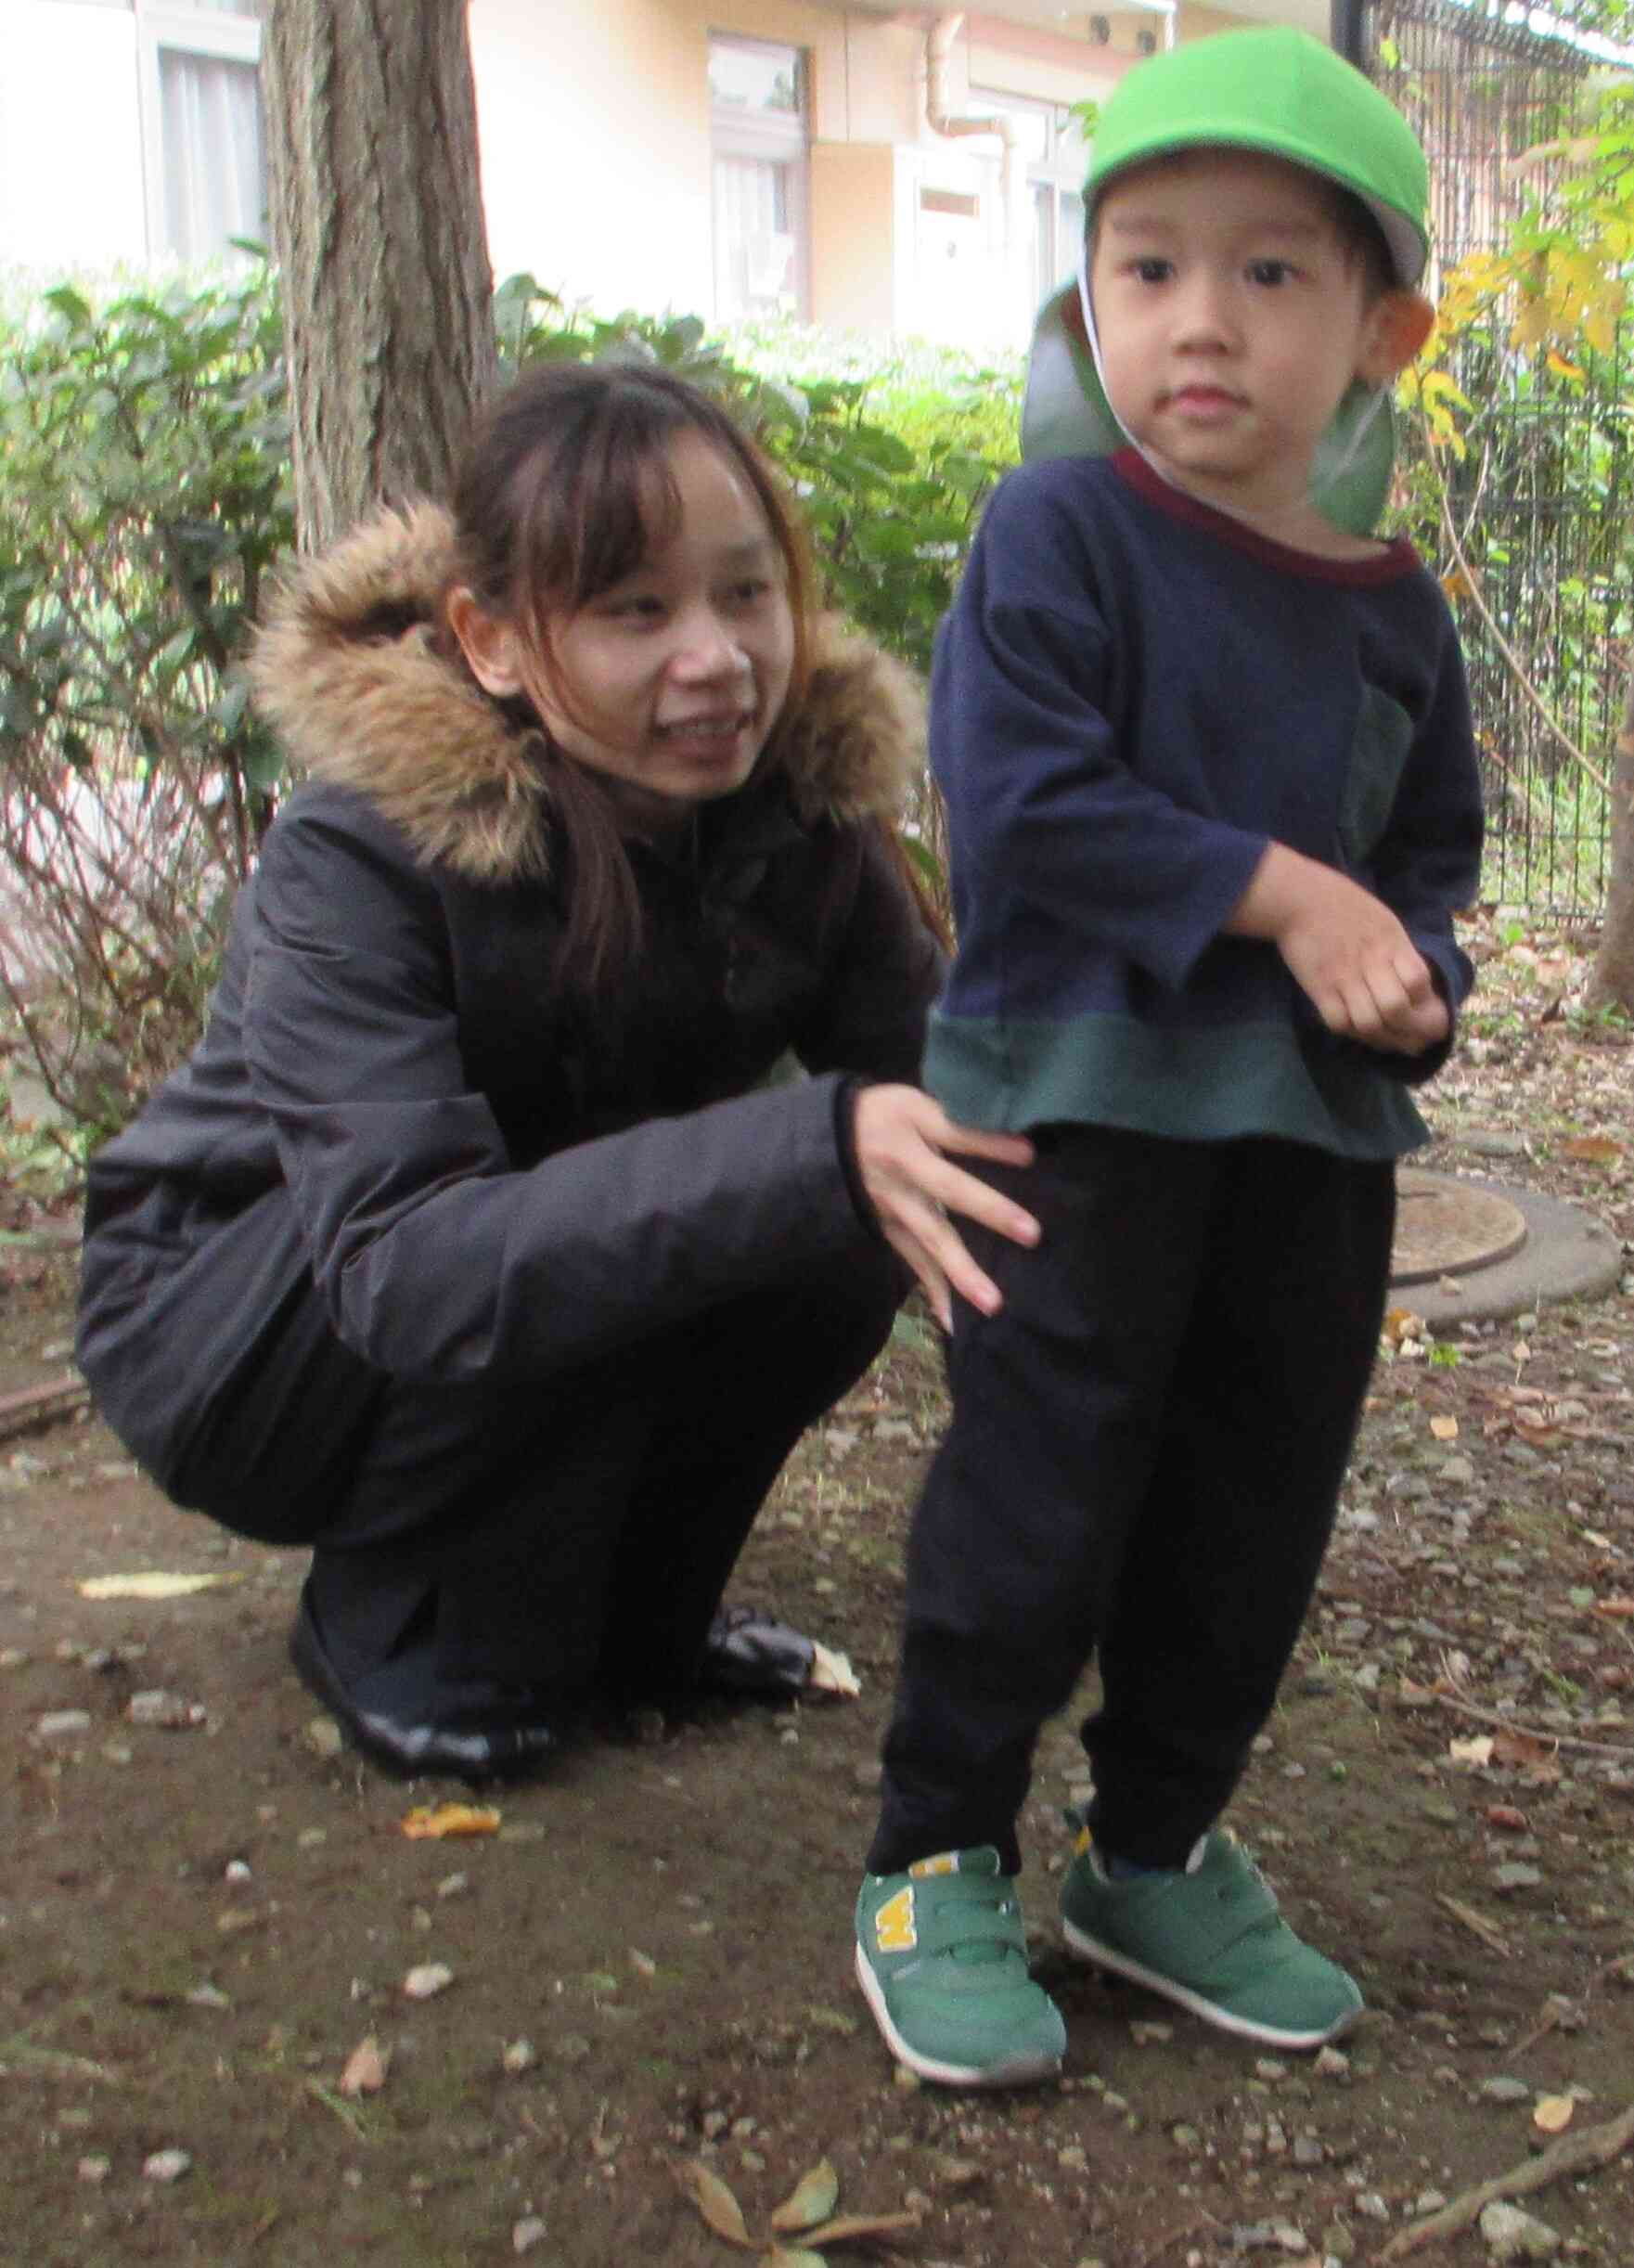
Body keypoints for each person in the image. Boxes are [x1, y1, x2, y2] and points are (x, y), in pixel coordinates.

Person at [77, 363, 1037, 1784]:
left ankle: (643, 1618)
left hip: (499, 1234)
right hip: (249, 1318)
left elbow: (958, 1109)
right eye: (635, 611)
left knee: (839, 1221)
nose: (714, 659)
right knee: (745, 1176)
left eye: (745, 593)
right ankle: (383, 1617)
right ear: (494, 639)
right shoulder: (359, 851)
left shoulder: (803, 811)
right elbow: (408, 1266)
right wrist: (810, 1147)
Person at [846, 26, 1481, 2092]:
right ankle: (935, 1854)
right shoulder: (1060, 535)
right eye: (1144, 267)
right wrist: (1294, 903)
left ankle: (1150, 1844)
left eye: (1268, 273)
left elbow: (1428, 859)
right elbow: (1023, 806)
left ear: (1381, 326)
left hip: (1303, 1139)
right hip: (1077, 1117)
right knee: (1039, 1497)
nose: (1198, 320)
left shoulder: (1393, 607)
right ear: (1086, 297)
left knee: (1250, 1501)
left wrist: (1416, 971)